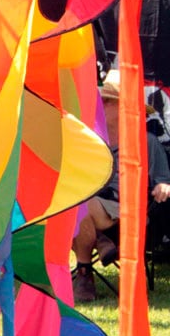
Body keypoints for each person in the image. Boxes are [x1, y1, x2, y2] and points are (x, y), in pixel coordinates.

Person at [72, 70, 170, 302]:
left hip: (128, 210)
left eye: (107, 101)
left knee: (80, 205)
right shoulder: (92, 141)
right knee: (72, 205)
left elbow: (164, 179)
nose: (101, 106)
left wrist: (163, 186)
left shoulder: (145, 142)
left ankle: (85, 273)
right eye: (102, 101)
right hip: (94, 204)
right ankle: (101, 242)